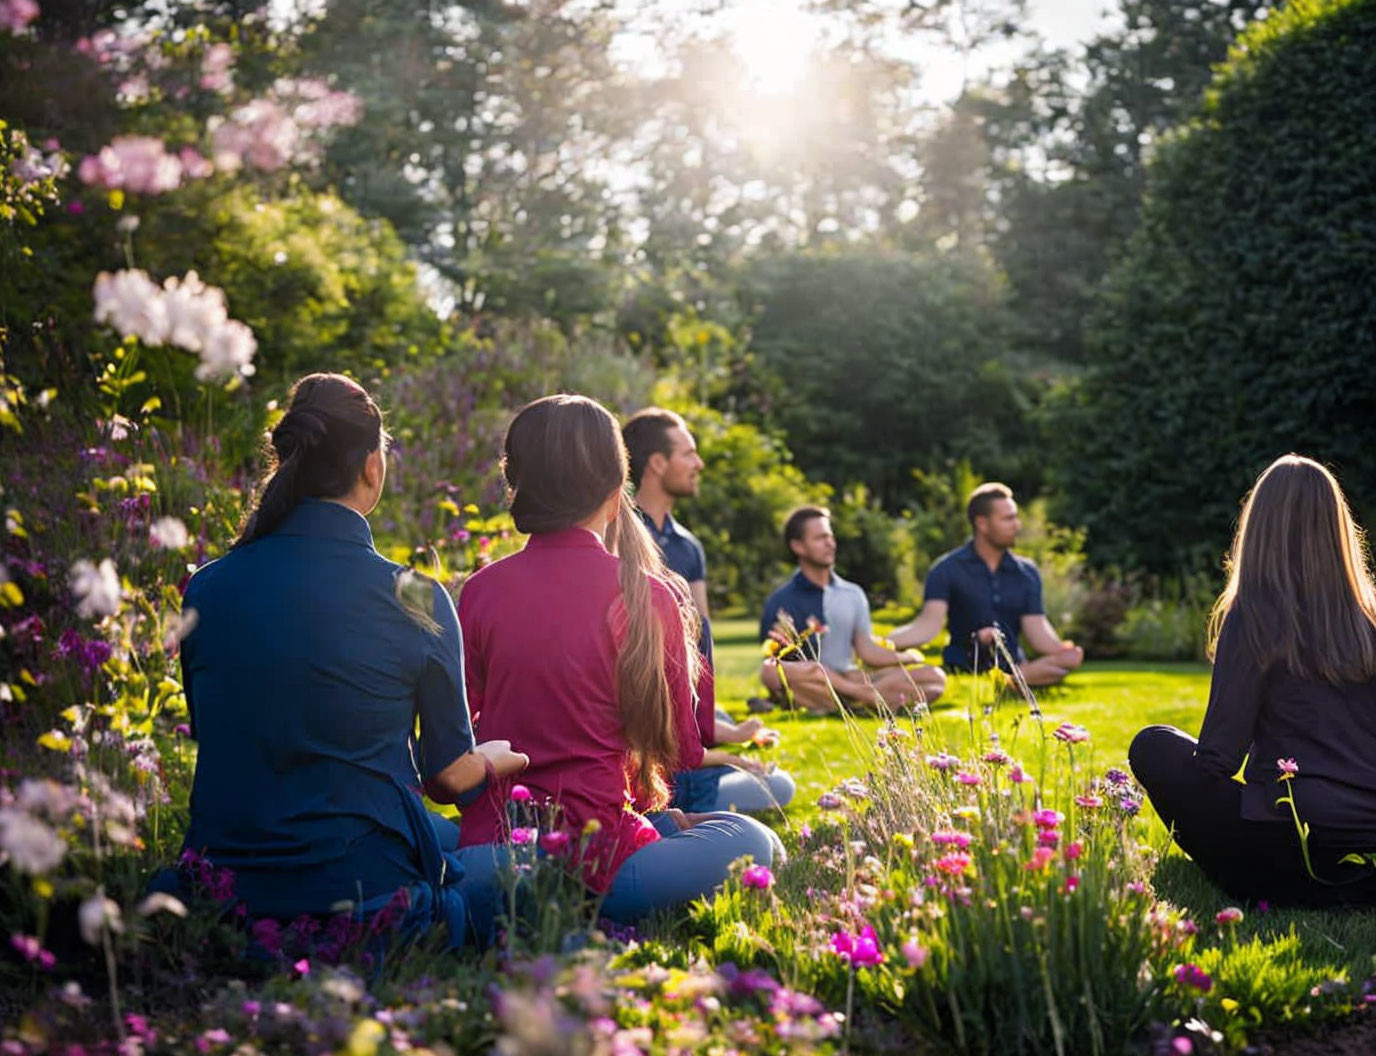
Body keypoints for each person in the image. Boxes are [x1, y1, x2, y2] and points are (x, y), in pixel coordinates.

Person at [175, 373, 529, 946]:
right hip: (369, 896)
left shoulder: (206, 589)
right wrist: (491, 758)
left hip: (225, 892)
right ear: (371, 465)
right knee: (522, 867)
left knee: (430, 835)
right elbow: (448, 776)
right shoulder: (414, 592)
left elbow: (215, 730)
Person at [456, 394, 781, 926]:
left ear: (519, 484)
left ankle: (530, 893)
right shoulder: (646, 595)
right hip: (599, 862)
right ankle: (610, 875)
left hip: (497, 848)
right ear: (616, 489)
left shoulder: (479, 591)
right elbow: (681, 746)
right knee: (751, 839)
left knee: (446, 852)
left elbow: (458, 740)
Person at [1129, 455, 1376, 907]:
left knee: (1154, 746)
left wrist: (1200, 821)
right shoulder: (1368, 617)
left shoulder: (1254, 615)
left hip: (1292, 829)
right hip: (1366, 827)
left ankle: (1292, 882)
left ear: (1258, 529)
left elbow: (1220, 757)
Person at [623, 407, 795, 814]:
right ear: (658, 463)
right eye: (689, 453)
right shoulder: (623, 538)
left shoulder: (688, 546)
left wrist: (720, 728)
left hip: (689, 706)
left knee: (774, 778)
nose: (699, 464)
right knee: (776, 786)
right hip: (648, 719)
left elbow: (699, 640)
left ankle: (708, 765)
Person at [890, 483, 1084, 686]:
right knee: (1048, 670)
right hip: (965, 664)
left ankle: (1012, 679)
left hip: (1013, 663)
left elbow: (1037, 631)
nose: (1017, 525)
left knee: (1066, 660)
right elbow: (927, 626)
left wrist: (1063, 650)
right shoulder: (946, 569)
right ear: (982, 524)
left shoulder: (1027, 572)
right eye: (1008, 519)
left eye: (1015, 517)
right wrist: (883, 642)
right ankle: (1016, 681)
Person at [759, 505, 946, 713]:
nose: (830, 543)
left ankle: (851, 702)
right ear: (798, 546)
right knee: (770, 671)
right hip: (813, 682)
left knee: (934, 678)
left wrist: (906, 657)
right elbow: (777, 661)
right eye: (820, 538)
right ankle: (868, 699)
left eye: (830, 537)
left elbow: (867, 652)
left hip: (850, 678)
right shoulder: (781, 601)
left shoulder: (853, 594)